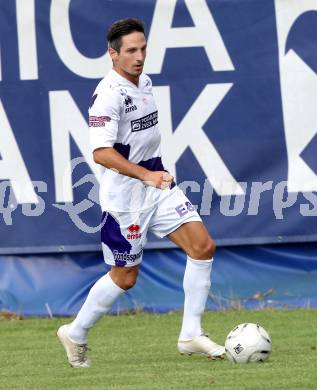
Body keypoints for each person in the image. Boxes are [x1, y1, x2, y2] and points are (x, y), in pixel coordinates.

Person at [57, 18, 225, 368]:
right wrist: (144, 174)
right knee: (125, 277)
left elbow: (142, 138)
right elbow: (101, 153)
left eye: (143, 48)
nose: (139, 56)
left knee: (203, 247)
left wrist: (155, 172)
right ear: (112, 54)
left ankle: (190, 334)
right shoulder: (108, 95)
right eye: (131, 50)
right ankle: (75, 332)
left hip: (157, 186)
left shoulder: (144, 82)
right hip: (126, 199)